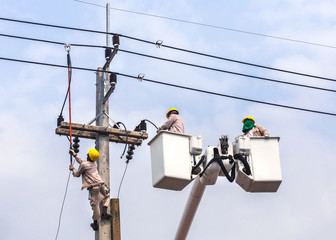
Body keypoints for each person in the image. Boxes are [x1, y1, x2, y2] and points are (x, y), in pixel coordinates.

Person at [69, 148, 112, 231]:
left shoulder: (85, 165)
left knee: (95, 205)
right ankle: (105, 211)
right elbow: (83, 162)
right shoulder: (94, 163)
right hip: (101, 184)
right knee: (107, 195)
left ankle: (95, 223)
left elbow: (77, 174)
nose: (87, 155)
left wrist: (73, 169)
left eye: (88, 154)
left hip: (94, 187)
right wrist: (75, 155)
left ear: (89, 157)